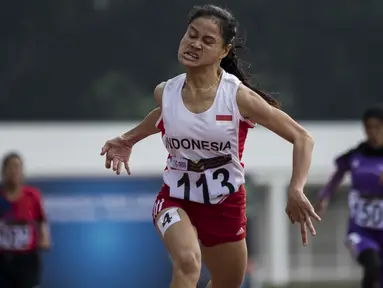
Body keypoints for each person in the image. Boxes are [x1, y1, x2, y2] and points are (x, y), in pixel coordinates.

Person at [101, 4, 320, 288]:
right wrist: (128, 139)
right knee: (189, 262)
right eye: (191, 35)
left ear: (223, 51)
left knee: (228, 282)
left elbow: (303, 138)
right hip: (175, 198)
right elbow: (164, 116)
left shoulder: (238, 97)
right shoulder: (165, 92)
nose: (194, 44)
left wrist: (296, 188)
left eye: (207, 41)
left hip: (225, 204)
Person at [315, 104, 383, 288]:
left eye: (377, 127)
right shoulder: (355, 156)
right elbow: (337, 176)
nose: (373, 132)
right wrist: (324, 196)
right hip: (361, 228)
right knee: (372, 266)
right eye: (369, 127)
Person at [0, 152, 51, 288]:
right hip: (2, 258)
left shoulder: (32, 195)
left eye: (17, 167)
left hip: (27, 259)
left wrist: (45, 237)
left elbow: (41, 219)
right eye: (10, 167)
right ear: (3, 171)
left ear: (22, 172)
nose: (14, 171)